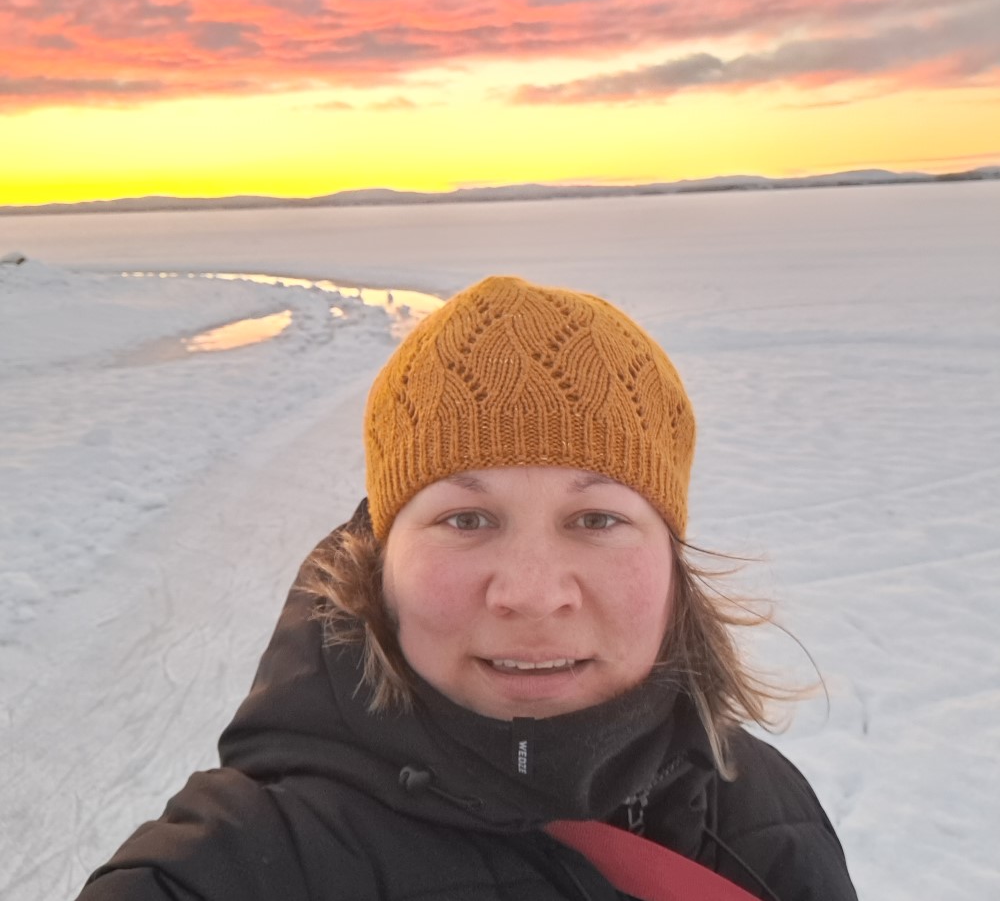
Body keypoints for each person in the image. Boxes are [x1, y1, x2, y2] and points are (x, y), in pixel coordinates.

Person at [77, 275, 857, 901]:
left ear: (671, 559)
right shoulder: (236, 864)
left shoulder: (761, 805)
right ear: (378, 562)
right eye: (466, 518)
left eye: (596, 518)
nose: (532, 593)